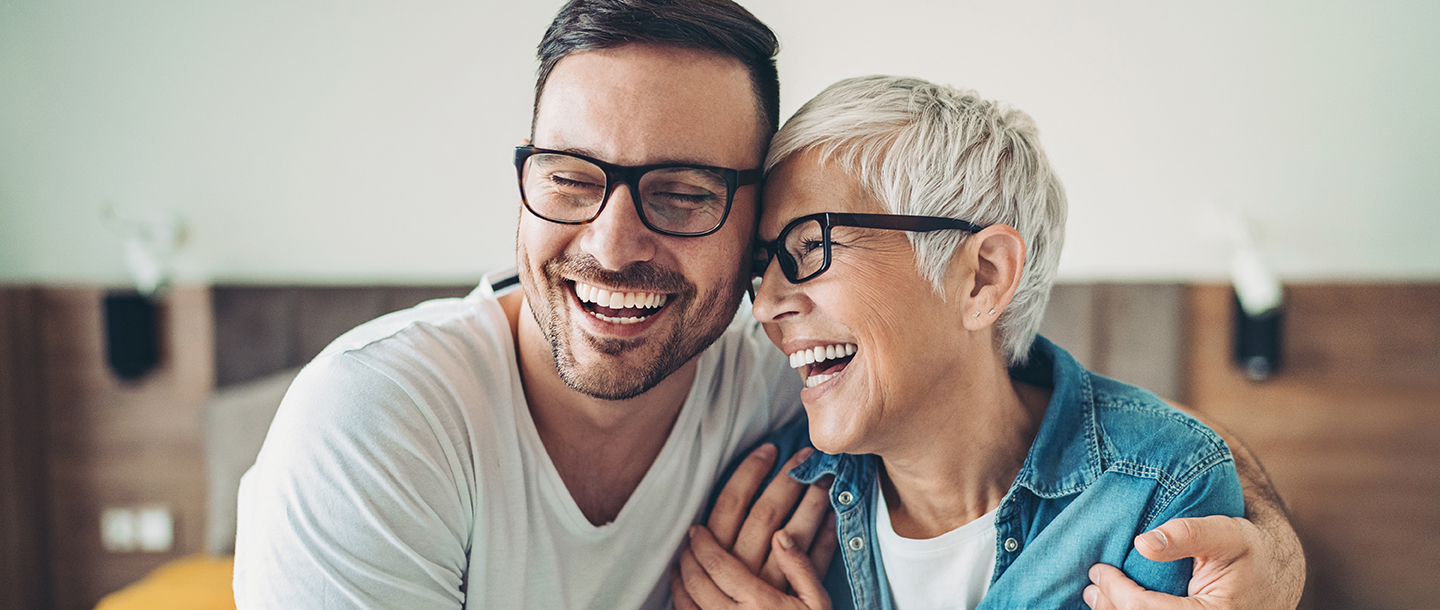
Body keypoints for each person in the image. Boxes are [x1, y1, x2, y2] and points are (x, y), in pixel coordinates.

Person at [234, 1, 1304, 608]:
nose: (613, 241)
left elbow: (1073, 428)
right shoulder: (376, 425)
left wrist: (1276, 556)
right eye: (569, 176)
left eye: (684, 193)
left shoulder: (797, 401)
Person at [674, 76, 1298, 610]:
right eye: (764, 265)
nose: (765, 304)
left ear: (982, 277)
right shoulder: (766, 502)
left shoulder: (1157, 494)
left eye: (811, 248)